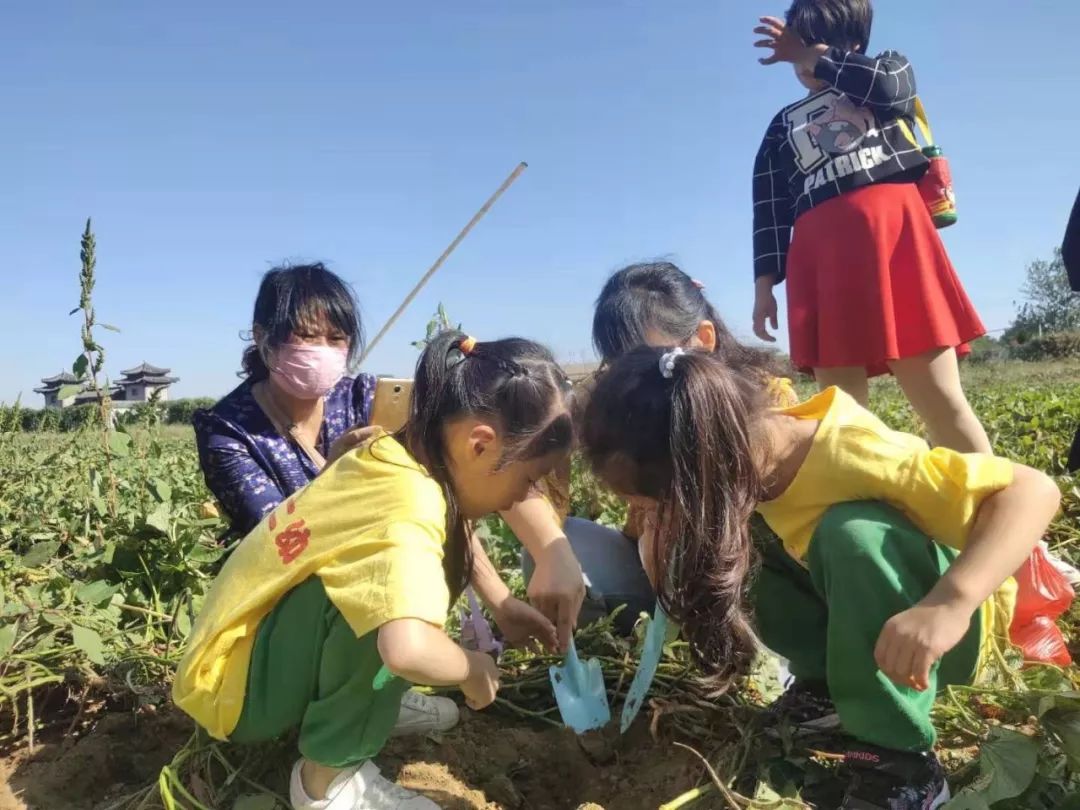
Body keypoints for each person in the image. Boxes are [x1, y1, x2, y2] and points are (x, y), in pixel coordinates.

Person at [581, 345, 1060, 808]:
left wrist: (949, 604)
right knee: (742, 535)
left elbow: (1033, 490)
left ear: (703, 466)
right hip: (872, 629)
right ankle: (825, 691)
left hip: (934, 640)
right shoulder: (744, 460)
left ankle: (902, 762)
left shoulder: (851, 453)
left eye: (657, 503)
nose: (648, 517)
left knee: (851, 534)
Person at [174, 332, 574, 810]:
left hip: (242, 659)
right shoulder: (408, 503)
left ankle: (370, 700)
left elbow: (450, 529)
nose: (520, 497)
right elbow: (405, 647)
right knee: (387, 610)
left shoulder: (393, 456)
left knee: (401, 591)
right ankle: (327, 782)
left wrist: (503, 604)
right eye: (528, 480)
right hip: (237, 696)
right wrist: (472, 669)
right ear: (480, 445)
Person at [193, 264, 556, 743]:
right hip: (289, 602)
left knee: (401, 566)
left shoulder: (365, 397)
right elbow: (282, 533)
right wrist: (336, 479)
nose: (322, 351)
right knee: (373, 585)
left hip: (347, 600)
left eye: (336, 337)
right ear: (263, 339)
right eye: (305, 336)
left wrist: (503, 599)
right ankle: (331, 745)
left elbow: (449, 487)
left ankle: (372, 692)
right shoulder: (230, 428)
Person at [750, 0, 992, 457]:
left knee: (940, 401)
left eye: (809, 47)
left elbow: (888, 89)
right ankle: (872, 511)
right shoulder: (782, 125)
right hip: (820, 264)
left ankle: (997, 502)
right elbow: (770, 209)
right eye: (795, 51)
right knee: (842, 417)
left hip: (897, 246)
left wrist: (812, 55)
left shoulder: (888, 71)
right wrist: (765, 287)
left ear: (853, 44)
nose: (801, 62)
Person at [508, 261, 798, 641]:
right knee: (559, 541)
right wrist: (552, 551)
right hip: (652, 572)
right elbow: (518, 471)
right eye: (621, 363)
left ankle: (760, 646)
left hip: (739, 579)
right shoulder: (616, 400)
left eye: (652, 358)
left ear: (704, 339)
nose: (637, 377)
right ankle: (613, 649)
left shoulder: (766, 401)